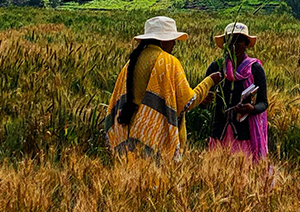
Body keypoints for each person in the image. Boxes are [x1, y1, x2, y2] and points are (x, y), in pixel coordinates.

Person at [104, 16, 221, 162]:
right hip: (155, 142)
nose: (174, 44)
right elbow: (188, 101)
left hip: (128, 140)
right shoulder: (168, 62)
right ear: (162, 40)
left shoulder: (130, 64)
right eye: (172, 39)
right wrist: (209, 81)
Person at [203, 22, 269, 161]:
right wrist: (204, 100)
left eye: (239, 40)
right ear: (226, 44)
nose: (234, 44)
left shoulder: (255, 69)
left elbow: (263, 102)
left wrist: (251, 108)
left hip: (245, 134)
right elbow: (202, 101)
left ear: (246, 44)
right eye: (231, 40)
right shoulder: (217, 67)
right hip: (219, 133)